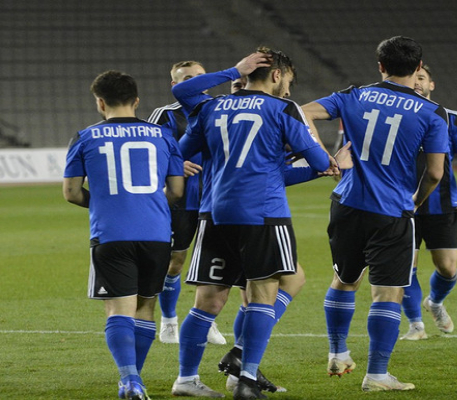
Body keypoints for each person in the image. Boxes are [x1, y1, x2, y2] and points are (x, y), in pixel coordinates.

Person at [172, 48, 337, 400]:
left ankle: (186, 378)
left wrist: (233, 70)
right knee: (263, 295)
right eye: (288, 81)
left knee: (207, 302)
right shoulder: (283, 109)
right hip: (263, 215)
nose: (289, 90)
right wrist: (330, 162)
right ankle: (245, 378)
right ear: (276, 76)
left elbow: (182, 149)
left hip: (214, 214)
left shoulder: (210, 108)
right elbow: (319, 159)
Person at [302, 36, 449, 392]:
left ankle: (338, 351)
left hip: (348, 203)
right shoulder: (432, 112)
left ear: (380, 66)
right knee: (387, 293)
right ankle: (377, 374)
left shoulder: (352, 96)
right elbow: (435, 173)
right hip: (391, 209)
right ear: (417, 70)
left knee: (344, 280)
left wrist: (324, 157)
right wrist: (415, 200)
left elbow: (301, 112)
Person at [63, 70, 184, 399]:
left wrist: (103, 203)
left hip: (112, 234)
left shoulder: (85, 137)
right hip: (157, 234)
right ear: (136, 101)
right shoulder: (162, 136)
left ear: (100, 103)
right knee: (145, 307)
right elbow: (176, 189)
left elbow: (72, 192)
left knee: (118, 309)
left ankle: (130, 380)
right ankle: (135, 379)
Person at [147, 60, 226, 345]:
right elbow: (150, 154)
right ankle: (169, 321)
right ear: (175, 85)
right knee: (175, 262)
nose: (196, 82)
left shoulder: (222, 110)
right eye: (187, 78)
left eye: (200, 77)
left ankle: (205, 319)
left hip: (218, 199)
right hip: (182, 200)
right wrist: (176, 165)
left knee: (214, 265)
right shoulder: (165, 115)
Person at [400, 64, 457, 340]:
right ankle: (415, 325)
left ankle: (434, 302)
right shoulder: (397, 115)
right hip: (402, 203)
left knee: (447, 267)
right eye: (413, 78)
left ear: (432, 84)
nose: (417, 82)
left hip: (441, 203)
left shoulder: (451, 117)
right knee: (405, 267)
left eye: (422, 78)